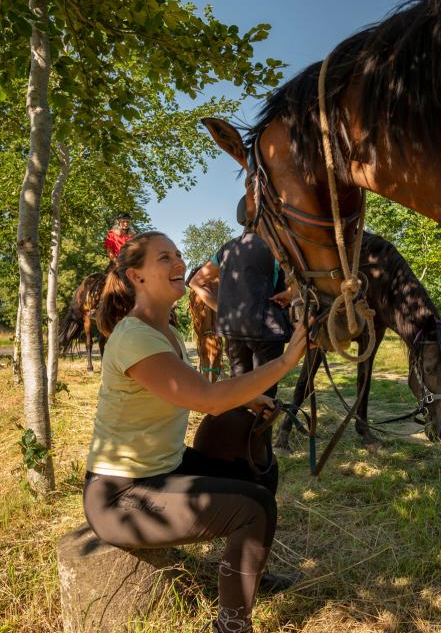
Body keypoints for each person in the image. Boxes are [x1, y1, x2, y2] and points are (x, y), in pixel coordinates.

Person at [83, 231, 309, 633]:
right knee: (254, 508)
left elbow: (189, 386)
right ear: (136, 277)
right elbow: (207, 399)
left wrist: (250, 398)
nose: (179, 264)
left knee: (257, 468)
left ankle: (247, 571)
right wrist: (286, 360)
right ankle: (232, 625)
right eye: (164, 258)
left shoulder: (165, 329)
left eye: (178, 255)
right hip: (121, 494)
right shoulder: (135, 337)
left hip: (165, 468)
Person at [189, 199, 293, 398]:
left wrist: (222, 308)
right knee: (264, 396)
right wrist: (289, 294)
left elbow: (196, 281)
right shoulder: (278, 247)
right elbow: (298, 283)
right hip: (267, 330)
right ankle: (259, 428)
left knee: (238, 394)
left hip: (234, 330)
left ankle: (238, 427)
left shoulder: (227, 248)